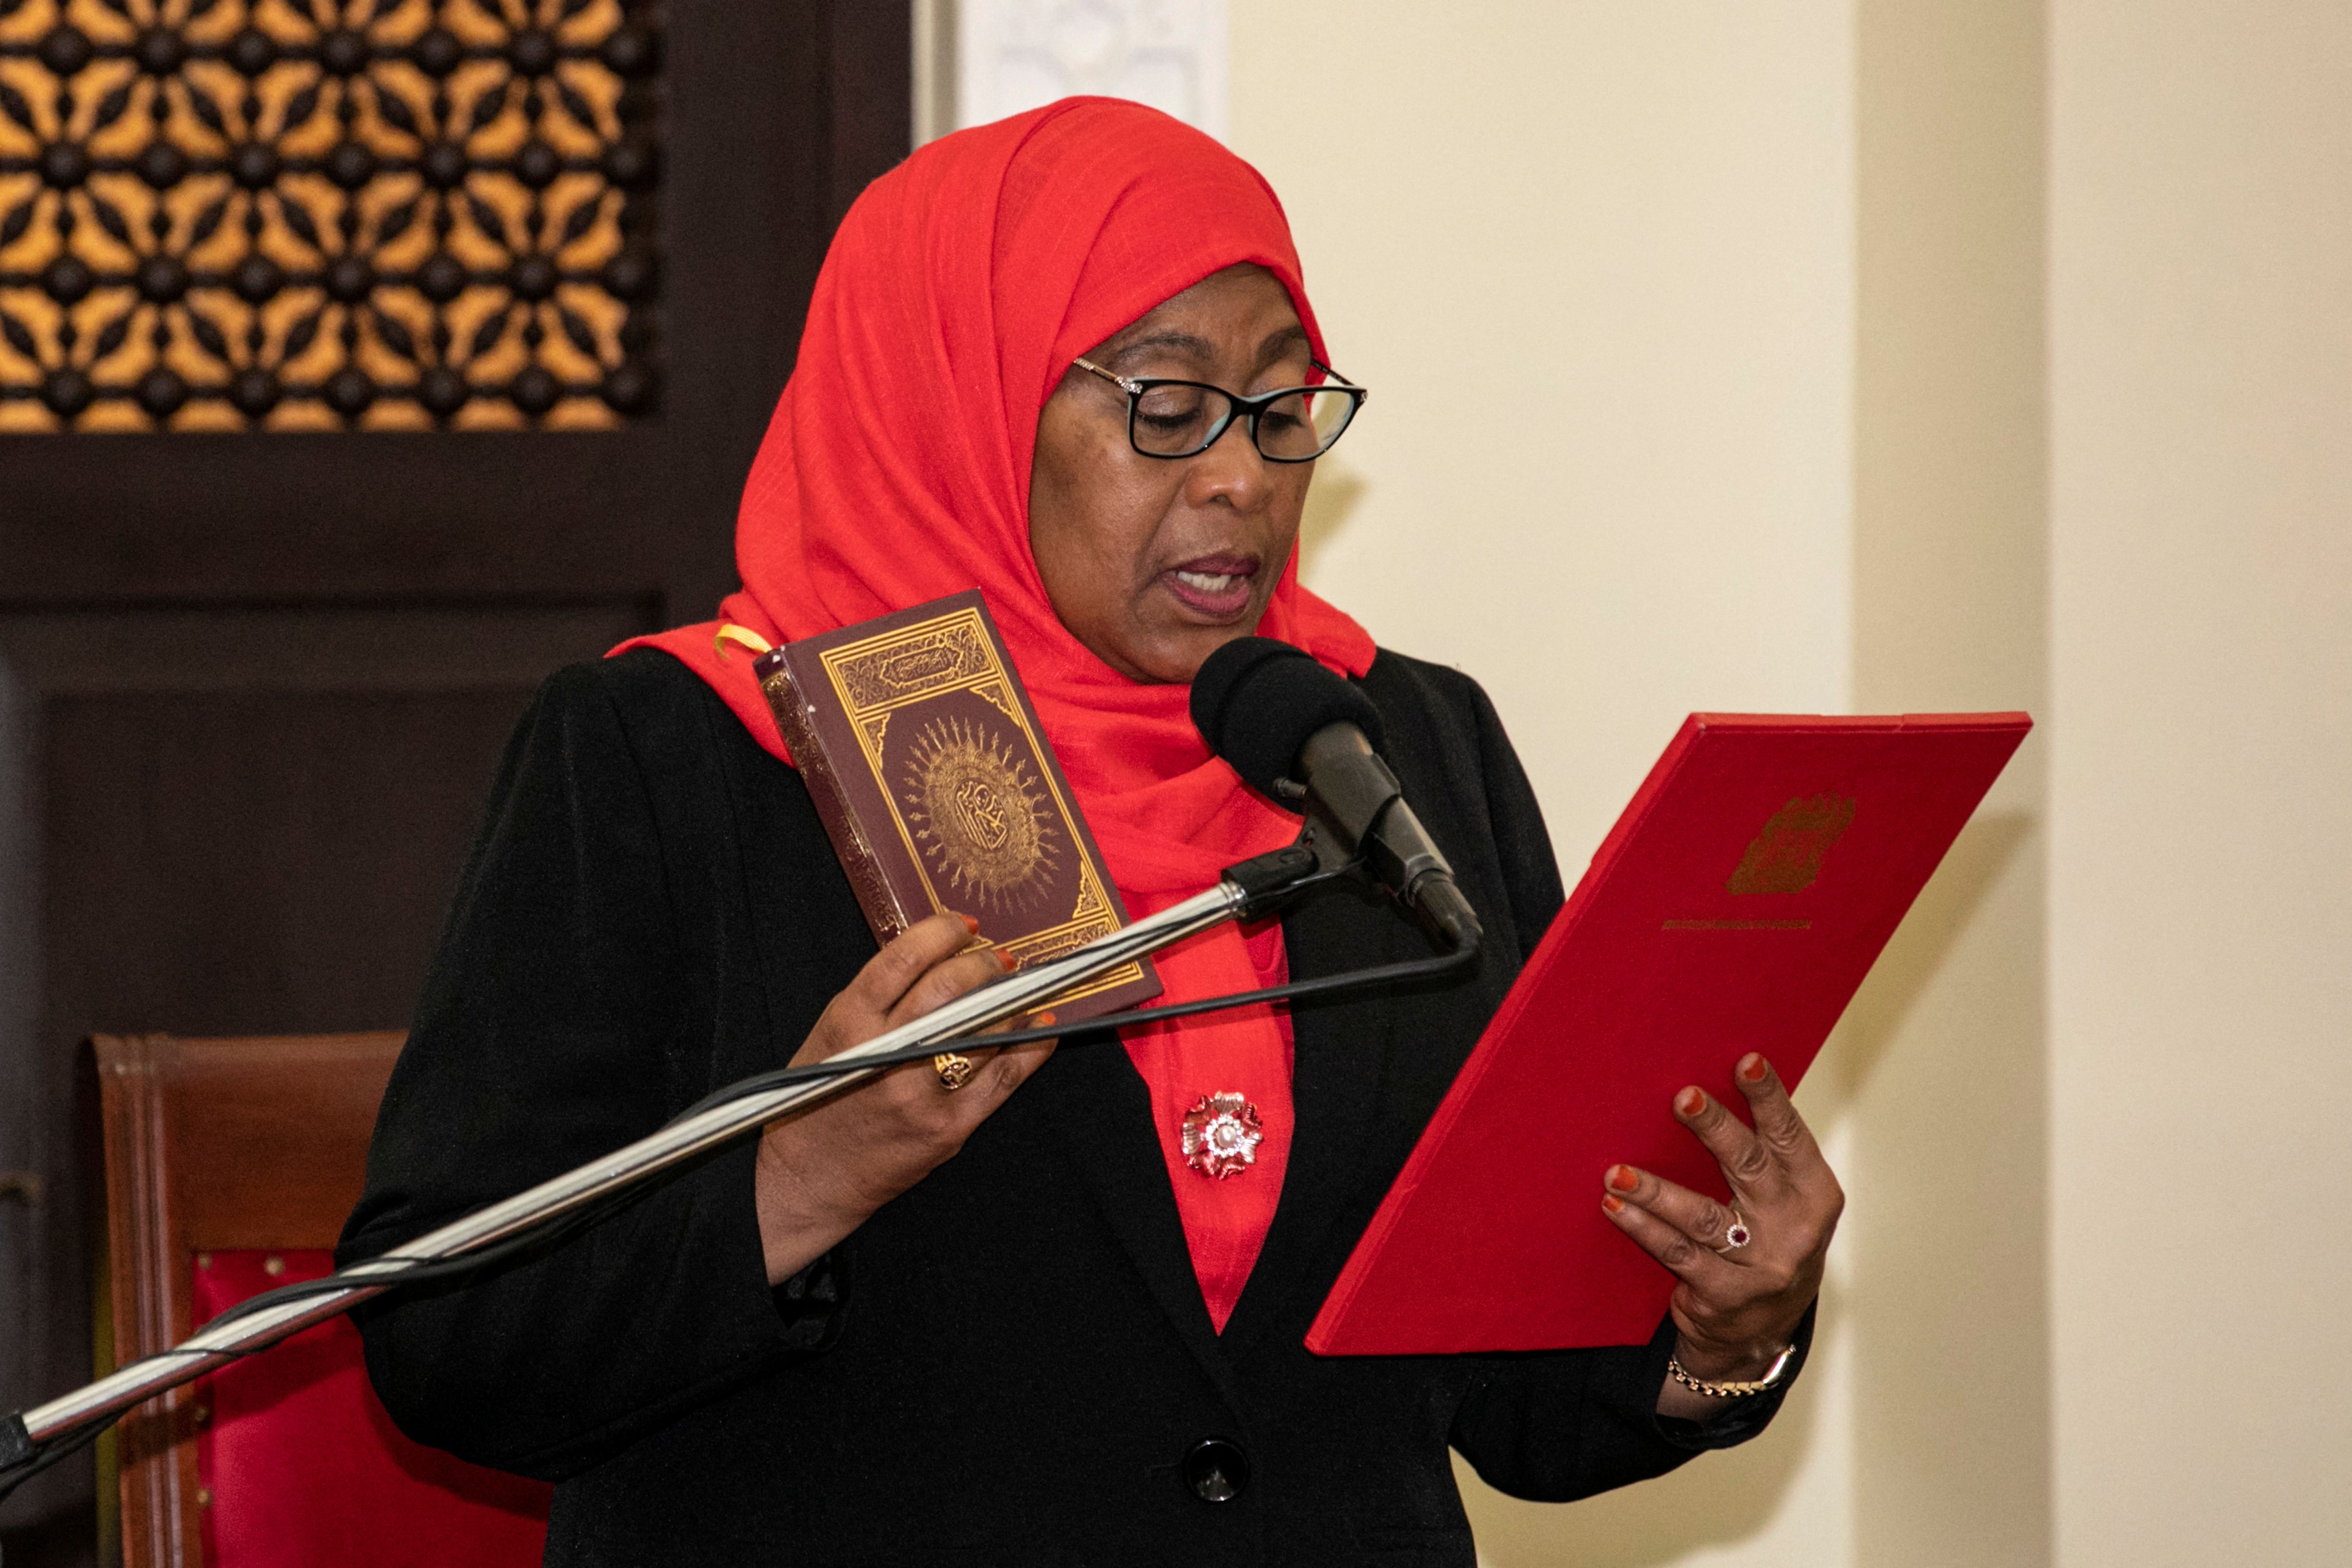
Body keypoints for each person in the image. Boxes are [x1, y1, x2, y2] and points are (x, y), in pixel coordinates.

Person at [341, 97, 1842, 1565]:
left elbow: (1521, 1401)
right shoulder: (679, 755)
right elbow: (451, 1338)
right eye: (1168, 409)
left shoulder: (1385, 745)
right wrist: (802, 1176)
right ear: (966, 401)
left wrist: (1722, 1333)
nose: (1243, 477)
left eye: (1281, 409)